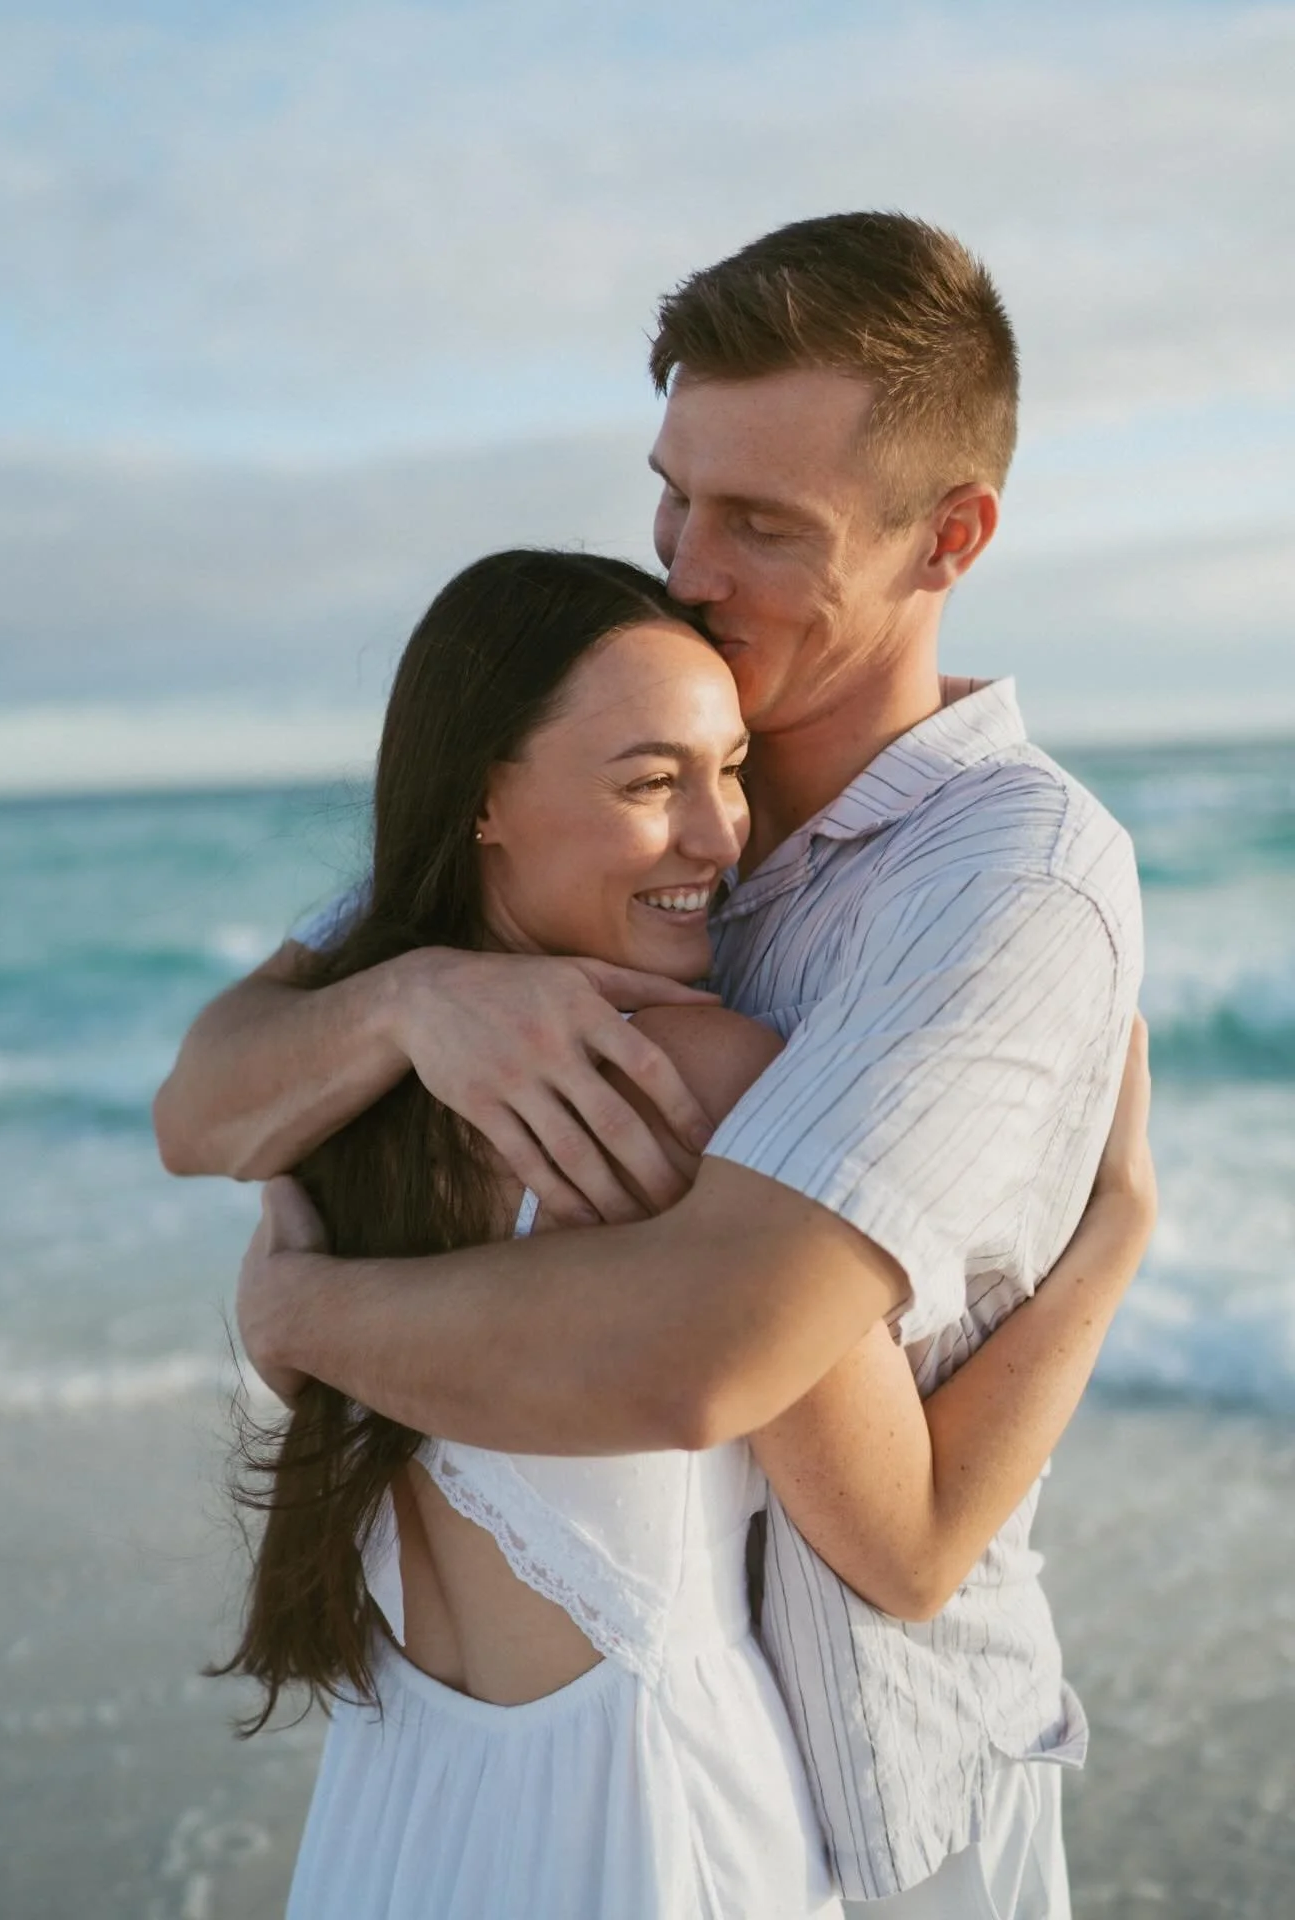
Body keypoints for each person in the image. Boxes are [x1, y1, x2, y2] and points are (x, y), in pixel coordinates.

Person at [157, 213, 1145, 1917]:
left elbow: (730, 1367)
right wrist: (411, 1006)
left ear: (950, 536)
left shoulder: (1009, 879)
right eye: (673, 494)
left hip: (901, 1802)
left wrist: (304, 1320)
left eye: (761, 525)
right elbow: (211, 1094)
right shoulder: (614, 774)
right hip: (585, 1776)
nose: (687, 562)